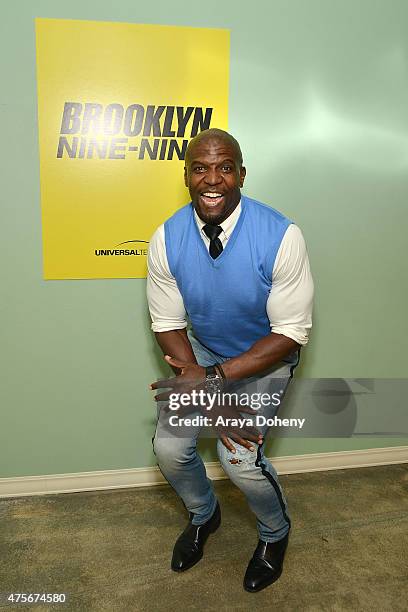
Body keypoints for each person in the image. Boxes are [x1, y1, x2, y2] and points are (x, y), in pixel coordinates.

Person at [147, 128, 314, 592]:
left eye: (224, 167)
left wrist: (214, 382)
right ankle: (205, 515)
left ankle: (275, 533)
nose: (212, 179)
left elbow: (290, 333)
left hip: (264, 357)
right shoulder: (166, 237)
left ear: (241, 173)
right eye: (200, 168)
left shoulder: (281, 235)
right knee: (170, 448)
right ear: (187, 177)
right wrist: (205, 386)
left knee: (238, 457)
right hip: (200, 355)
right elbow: (167, 323)